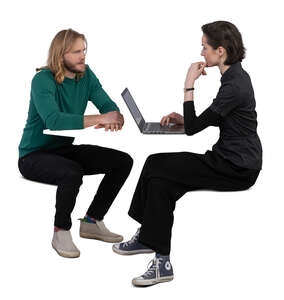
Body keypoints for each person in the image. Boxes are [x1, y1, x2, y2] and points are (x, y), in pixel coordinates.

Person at [112, 21, 262, 286]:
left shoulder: (234, 85)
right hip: (228, 160)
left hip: (236, 168)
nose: (201, 52)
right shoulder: (234, 77)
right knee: (161, 184)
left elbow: (194, 130)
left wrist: (189, 84)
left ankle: (148, 235)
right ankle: (161, 260)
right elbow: (216, 118)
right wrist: (185, 118)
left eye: (205, 47)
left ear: (221, 51)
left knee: (155, 163)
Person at [18, 29, 133, 258]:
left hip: (63, 150)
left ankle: (92, 221)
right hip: (33, 155)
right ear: (61, 55)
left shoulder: (86, 75)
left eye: (84, 50)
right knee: (72, 172)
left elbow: (107, 104)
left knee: (122, 162)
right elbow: (54, 120)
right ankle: (61, 230)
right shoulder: (42, 80)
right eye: (76, 52)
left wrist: (116, 116)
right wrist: (101, 119)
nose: (83, 56)